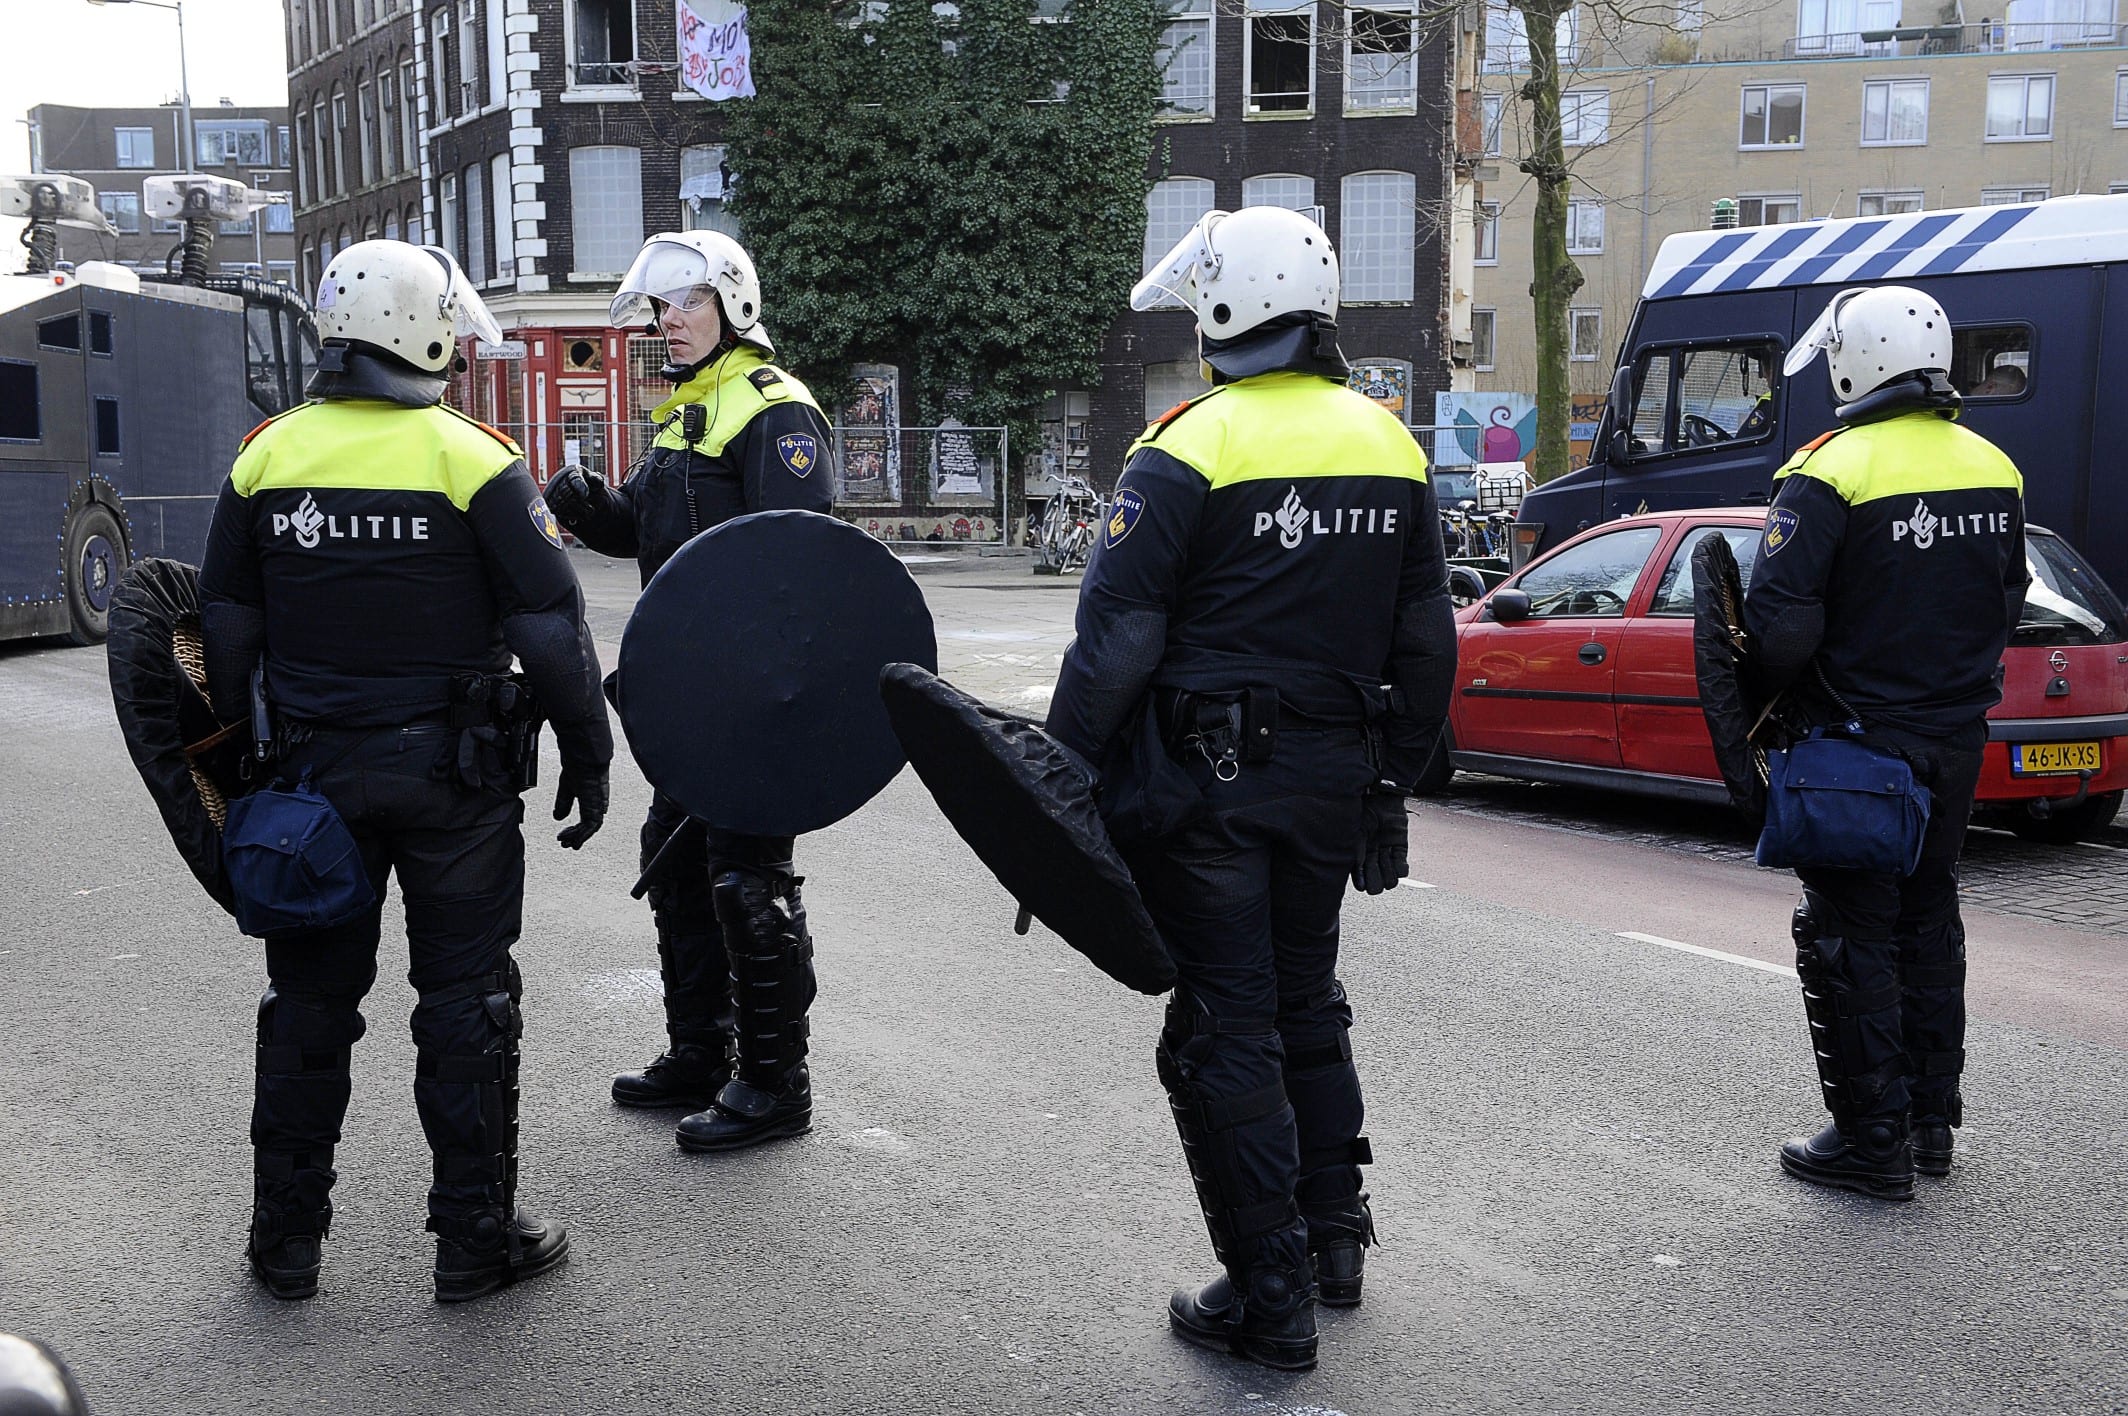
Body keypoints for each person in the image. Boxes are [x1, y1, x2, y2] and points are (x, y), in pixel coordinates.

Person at [1044, 207, 1455, 1371]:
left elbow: (1119, 640)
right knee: (1304, 998)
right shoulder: (1391, 445)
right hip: (1330, 780)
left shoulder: (1188, 445)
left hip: (1206, 785)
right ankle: (1333, 1243)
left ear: (1229, 306)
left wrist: (1058, 778)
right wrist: (1391, 780)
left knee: (1226, 1026)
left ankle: (1268, 1297)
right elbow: (1426, 640)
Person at [199, 240, 613, 1302]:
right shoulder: (471, 459)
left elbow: (225, 624)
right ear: (421, 326)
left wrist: (240, 760)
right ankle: (475, 1239)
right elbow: (552, 623)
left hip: (308, 791)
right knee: (467, 1002)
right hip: (454, 787)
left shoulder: (265, 457)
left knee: (306, 1006)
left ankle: (283, 1243)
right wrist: (589, 749)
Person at [543, 231, 838, 1153]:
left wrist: (765, 687)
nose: (668, 321)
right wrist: (592, 505)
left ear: (733, 306)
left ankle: (774, 1079)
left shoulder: (774, 409)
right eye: (662, 307)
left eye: (687, 303)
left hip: (751, 697)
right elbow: (649, 532)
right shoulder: (683, 413)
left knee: (748, 878)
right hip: (688, 697)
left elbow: (799, 560)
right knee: (675, 866)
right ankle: (699, 1051)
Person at [1747, 284, 2027, 1200]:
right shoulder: (1994, 465)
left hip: (1862, 750)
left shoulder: (1830, 468)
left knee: (1848, 936)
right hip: (1956, 740)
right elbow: (2009, 596)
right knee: (1929, 922)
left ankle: (1871, 1142)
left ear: (1850, 361)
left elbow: (1780, 631)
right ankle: (1931, 1126)